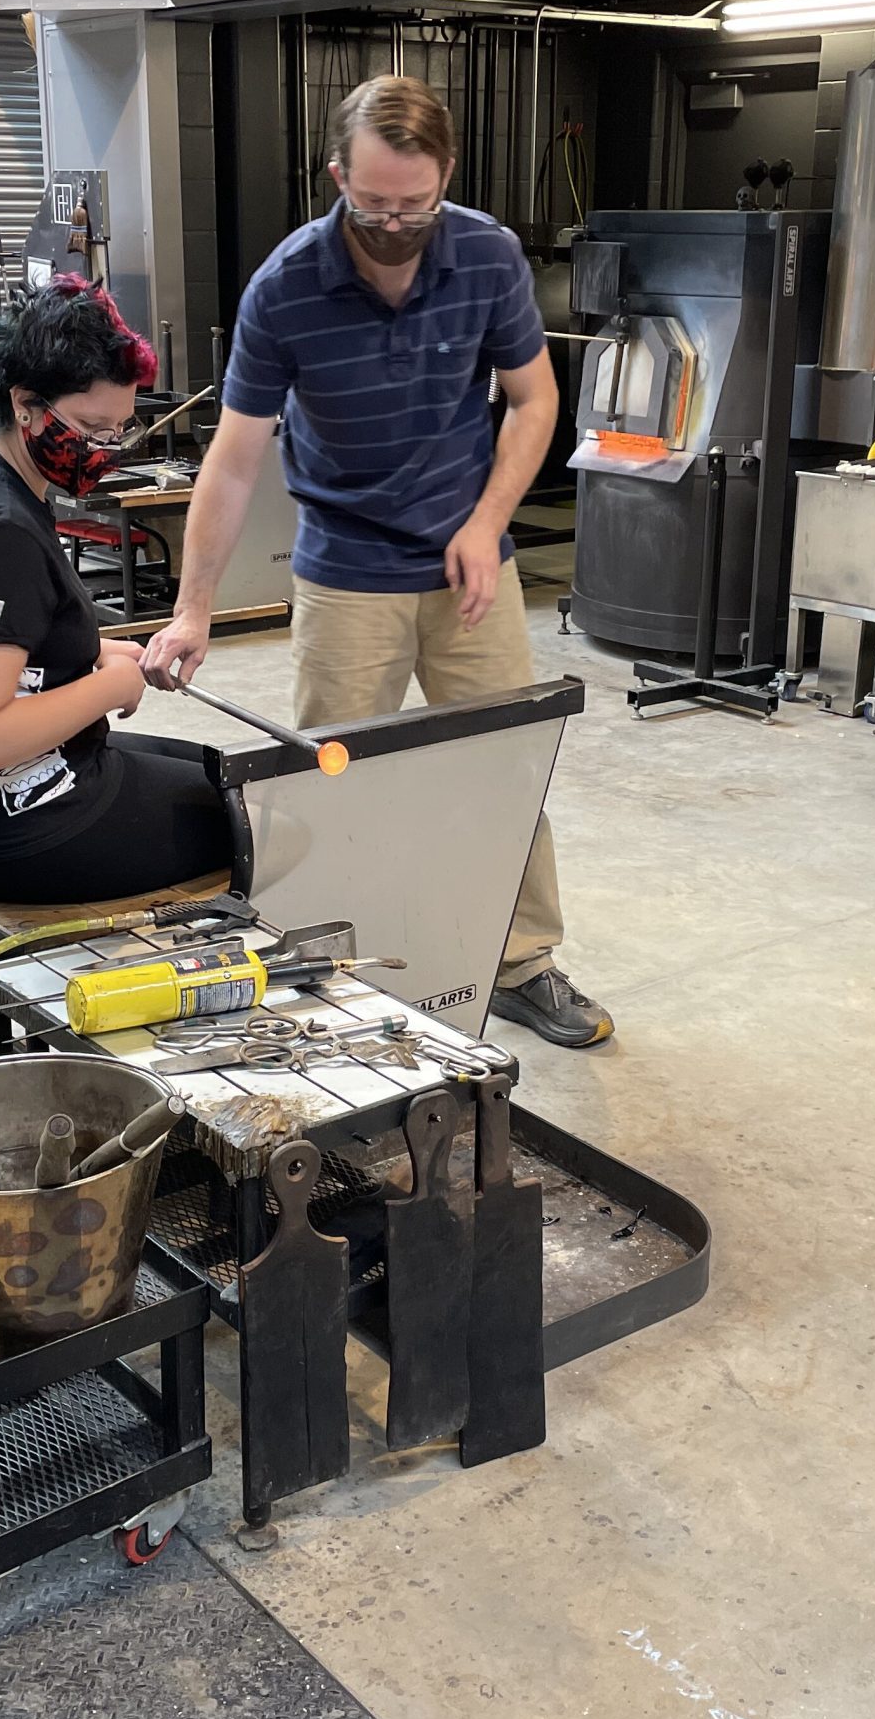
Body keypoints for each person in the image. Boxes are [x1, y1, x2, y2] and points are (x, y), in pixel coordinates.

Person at [141, 74, 610, 1048]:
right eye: (372, 203)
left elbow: (533, 403)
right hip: (346, 570)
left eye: (415, 203)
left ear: (446, 178)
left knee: (500, 771)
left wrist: (485, 524)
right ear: (335, 177)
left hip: (466, 567)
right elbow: (231, 463)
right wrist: (192, 609)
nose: (395, 225)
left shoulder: (484, 254)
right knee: (330, 781)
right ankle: (323, 972)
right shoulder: (285, 288)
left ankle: (521, 962)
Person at [0, 276, 233, 903]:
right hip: (16, 835)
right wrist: (110, 685)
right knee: (259, 812)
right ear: (25, 403)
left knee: (218, 769)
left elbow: (15, 640)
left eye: (121, 430)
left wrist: (91, 655)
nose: (104, 450)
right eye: (91, 427)